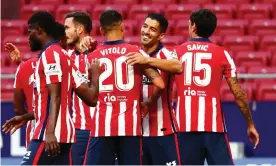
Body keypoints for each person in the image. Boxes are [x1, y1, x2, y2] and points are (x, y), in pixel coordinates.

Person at [2, 11, 101, 165]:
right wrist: (95, 75)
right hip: (65, 135)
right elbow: (91, 98)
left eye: (30, 32)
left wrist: (49, 132)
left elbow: (55, 96)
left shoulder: (50, 55)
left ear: (40, 31)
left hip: (48, 135)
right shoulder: (66, 59)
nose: (28, 37)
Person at [171, 9, 259, 165]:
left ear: (193, 27)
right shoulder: (222, 54)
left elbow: (165, 88)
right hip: (214, 128)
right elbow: (239, 95)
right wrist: (250, 125)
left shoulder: (175, 53)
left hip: (183, 127)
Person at [83, 9, 165, 165]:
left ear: (101, 30)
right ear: (122, 27)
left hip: (102, 127)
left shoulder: (93, 56)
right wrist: (148, 103)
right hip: (130, 127)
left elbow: (87, 92)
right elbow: (160, 84)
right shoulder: (135, 53)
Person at [2, 22, 66, 148]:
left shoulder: (25, 67)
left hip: (37, 130)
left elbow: (18, 108)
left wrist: (25, 116)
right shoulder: (70, 63)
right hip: (66, 129)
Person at [138, 13, 182, 165]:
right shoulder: (135, 54)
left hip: (163, 131)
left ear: (161, 36)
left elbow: (178, 66)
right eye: (144, 26)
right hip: (137, 132)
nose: (146, 31)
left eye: (152, 29)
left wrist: (147, 60)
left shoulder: (165, 54)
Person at [63, 11, 97, 165]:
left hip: (103, 129)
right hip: (79, 130)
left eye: (66, 28)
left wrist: (93, 45)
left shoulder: (100, 53)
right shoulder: (65, 57)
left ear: (80, 29)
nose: (64, 33)